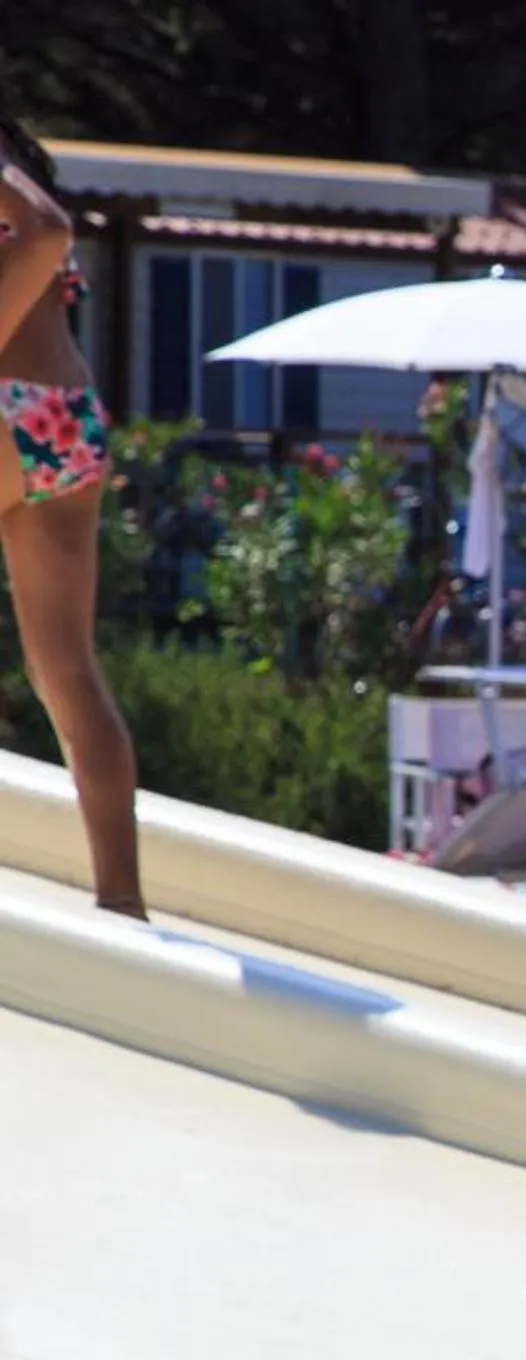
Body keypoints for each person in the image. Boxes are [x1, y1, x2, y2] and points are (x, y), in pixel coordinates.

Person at [0, 103, 141, 917]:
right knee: (63, 671)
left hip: (12, 410)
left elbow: (46, 232)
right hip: (67, 420)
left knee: (65, 672)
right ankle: (121, 901)